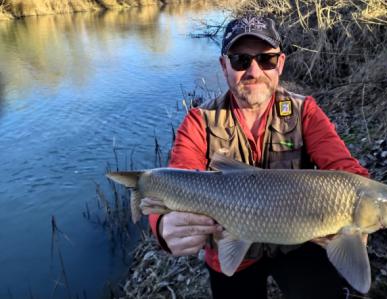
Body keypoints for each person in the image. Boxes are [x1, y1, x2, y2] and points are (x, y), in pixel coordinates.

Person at [148, 15, 369, 299]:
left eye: (266, 59)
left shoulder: (305, 112)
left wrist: (366, 205)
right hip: (232, 250)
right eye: (240, 60)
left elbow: (346, 169)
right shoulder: (199, 121)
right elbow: (174, 180)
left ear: (280, 64)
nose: (253, 70)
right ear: (223, 65)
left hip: (297, 244)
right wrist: (162, 225)